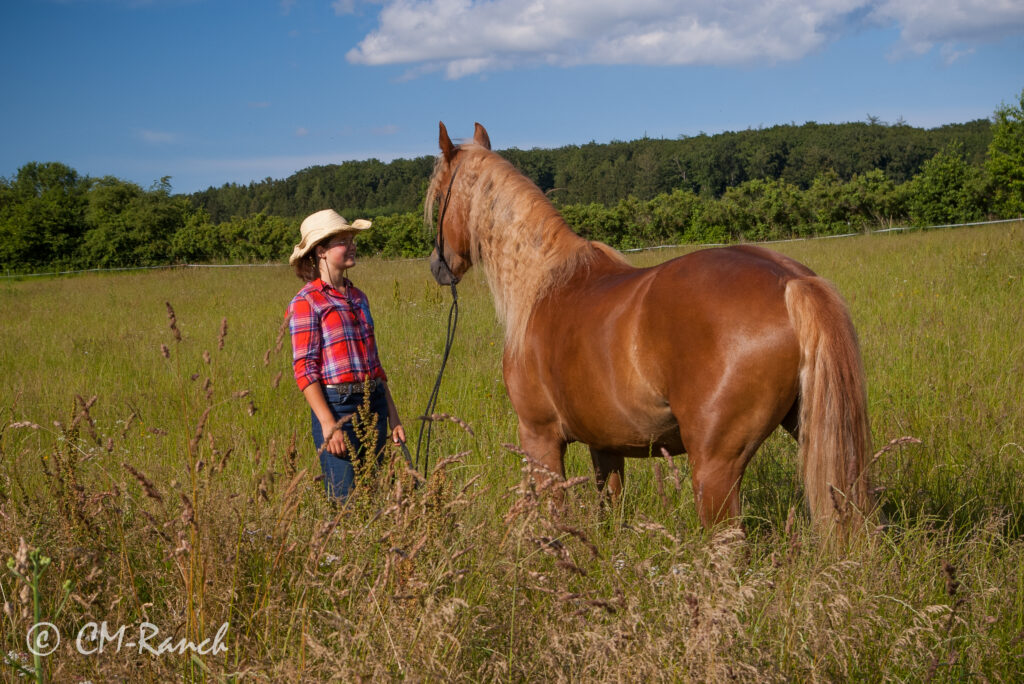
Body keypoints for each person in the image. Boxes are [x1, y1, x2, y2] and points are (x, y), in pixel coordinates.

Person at [287, 209, 405, 502]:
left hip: (373, 402)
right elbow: (305, 368)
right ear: (321, 251)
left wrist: (393, 415)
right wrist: (329, 424)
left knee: (372, 496)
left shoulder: (359, 297)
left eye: (352, 239)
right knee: (345, 503)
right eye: (343, 241)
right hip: (338, 409)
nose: (352, 245)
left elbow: (375, 365)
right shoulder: (307, 301)